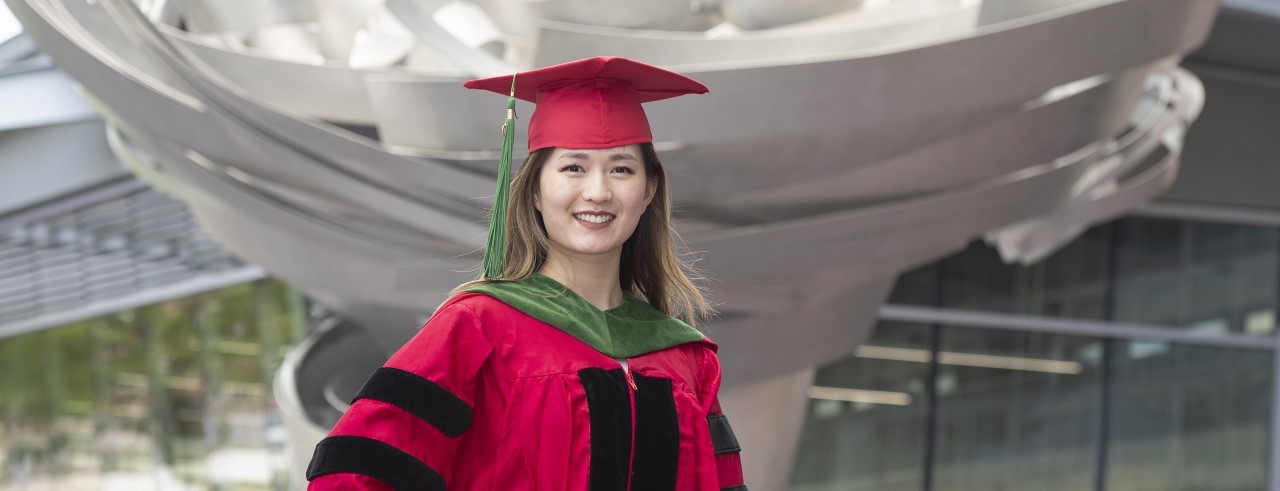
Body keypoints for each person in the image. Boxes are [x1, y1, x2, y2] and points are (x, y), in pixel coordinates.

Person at [304, 56, 747, 491]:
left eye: (622, 169)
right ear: (535, 190)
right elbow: (350, 475)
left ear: (649, 189)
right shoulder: (477, 328)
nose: (598, 191)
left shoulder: (688, 360)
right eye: (573, 167)